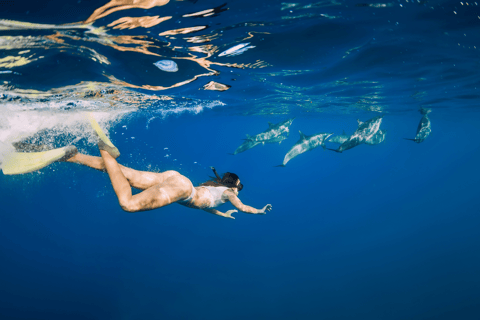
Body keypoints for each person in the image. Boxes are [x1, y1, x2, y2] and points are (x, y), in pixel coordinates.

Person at [66, 150, 272, 219]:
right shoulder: (229, 193)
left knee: (126, 175)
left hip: (176, 179)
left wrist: (222, 215)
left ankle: (71, 156)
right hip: (182, 189)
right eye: (239, 187)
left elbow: (207, 206)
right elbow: (243, 207)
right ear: (234, 186)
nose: (238, 191)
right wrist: (259, 211)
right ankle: (106, 151)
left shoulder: (217, 190)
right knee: (128, 204)